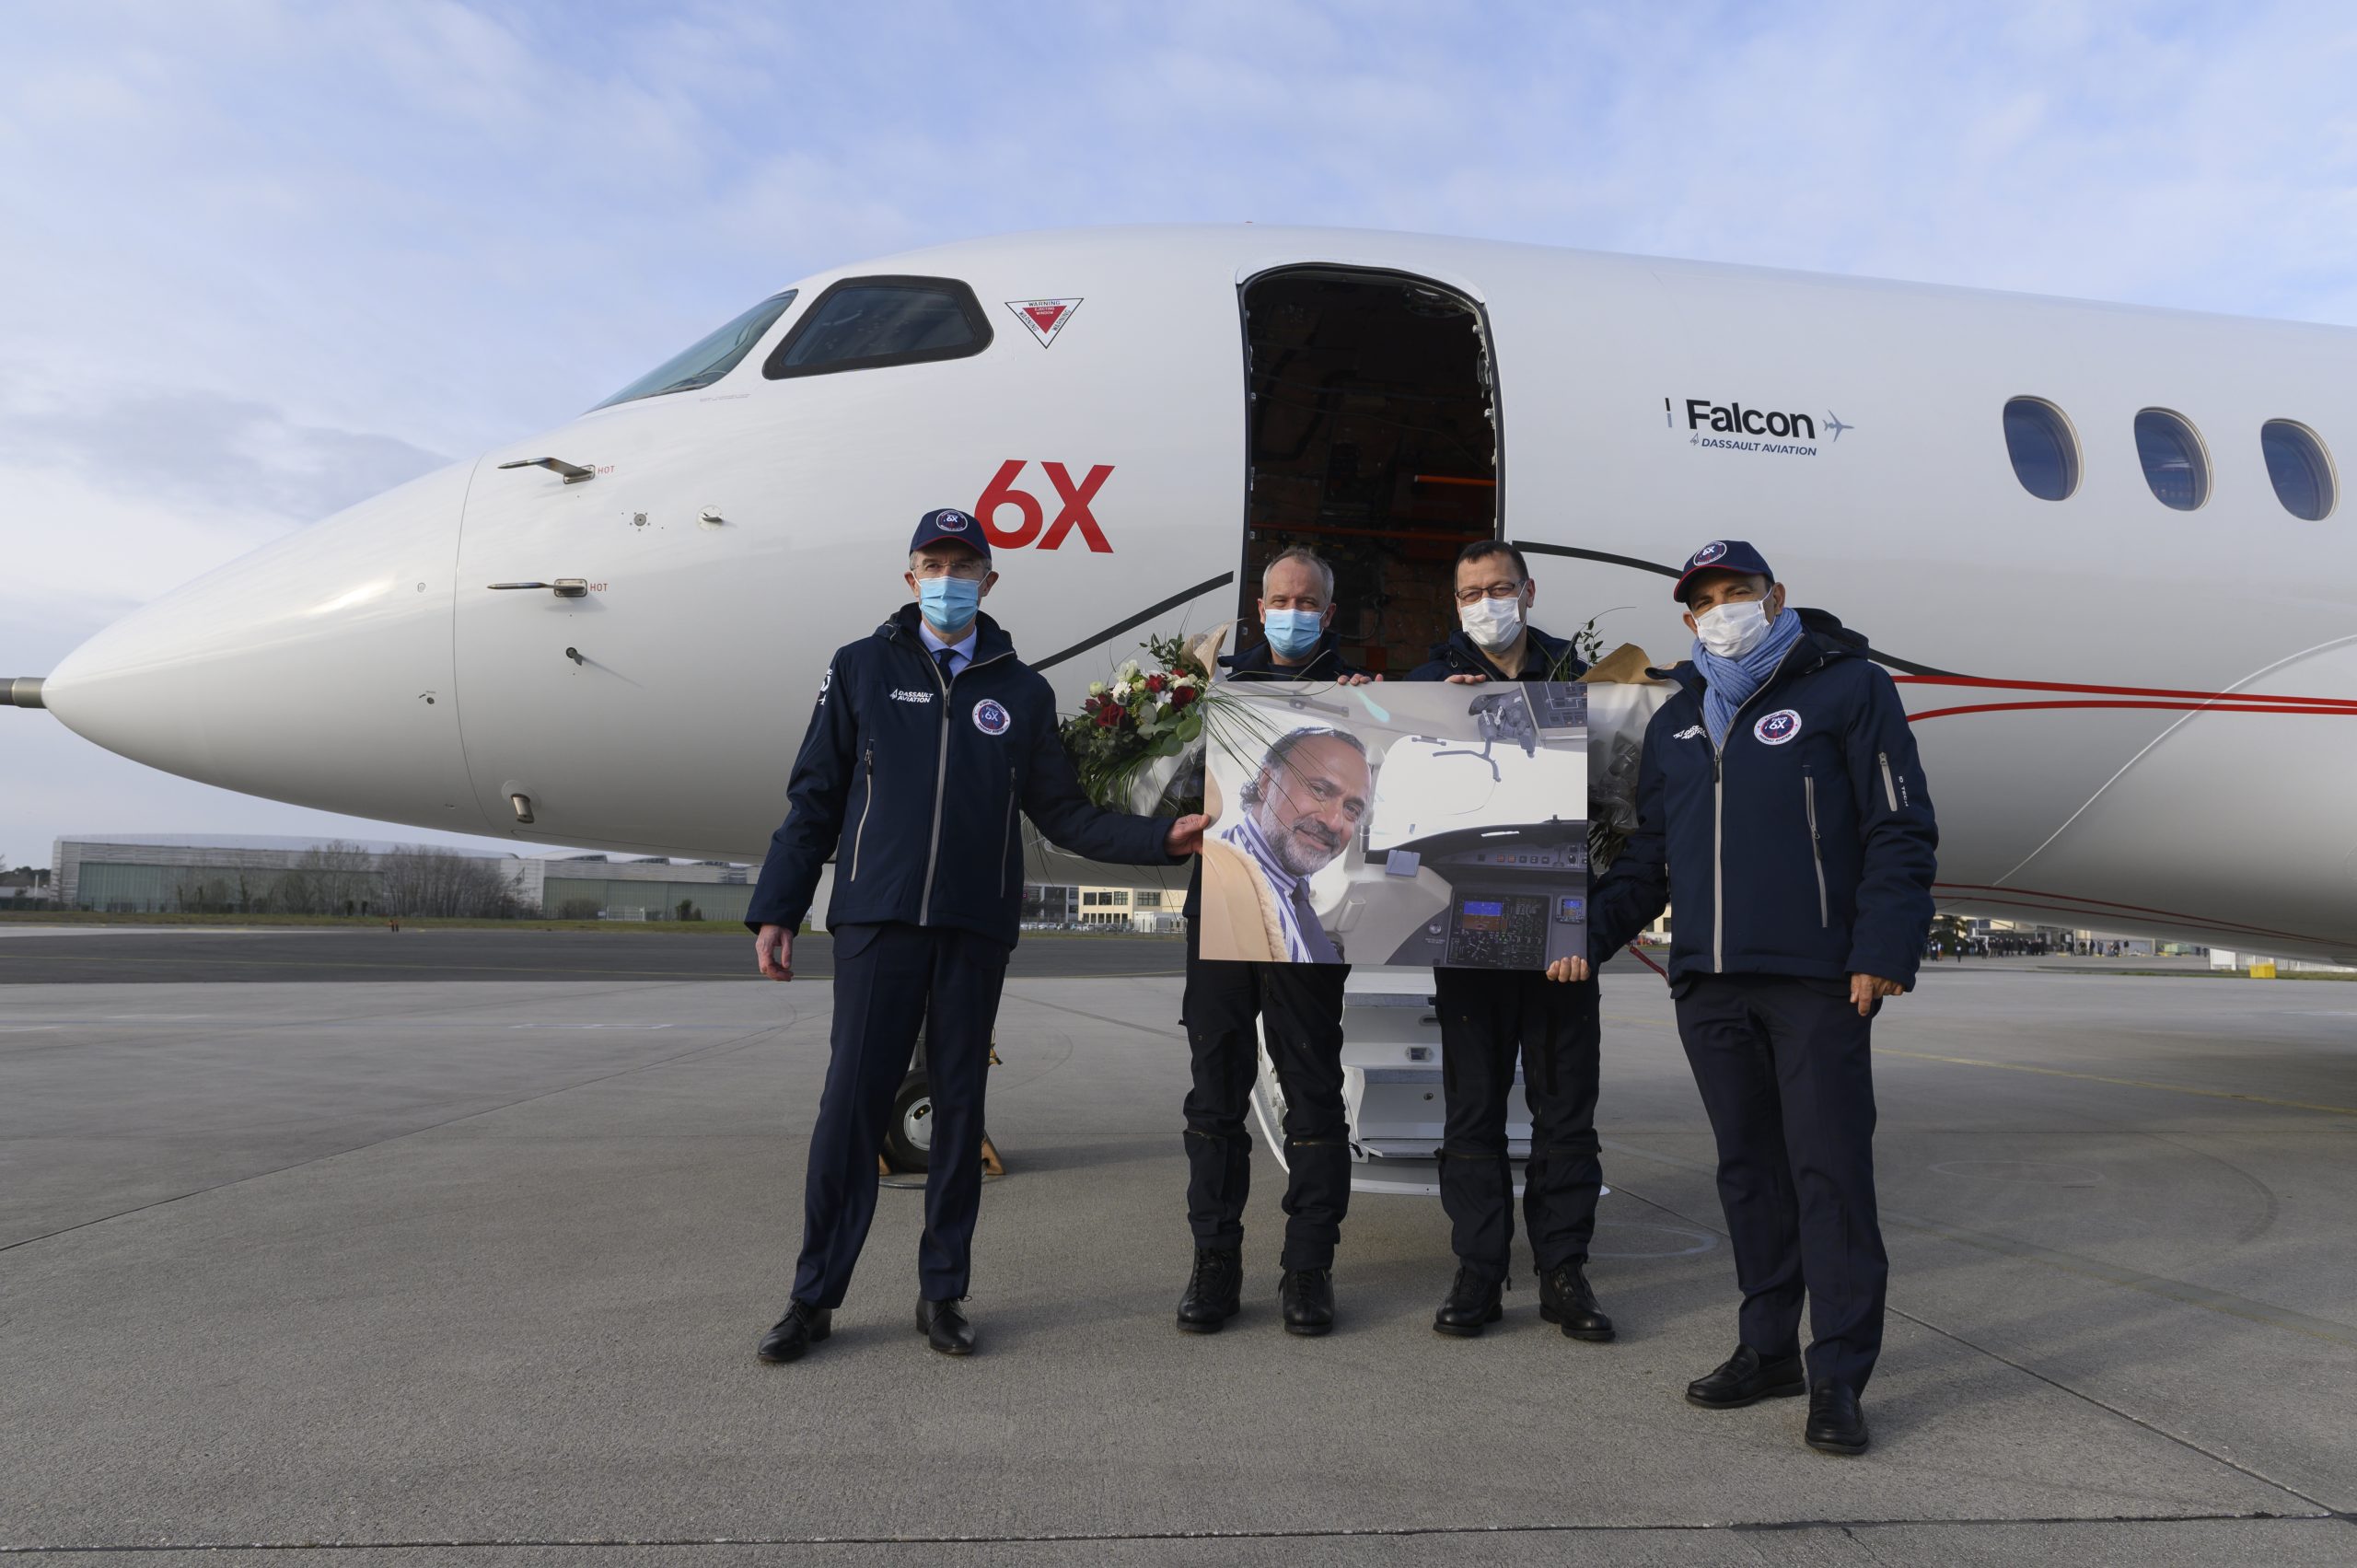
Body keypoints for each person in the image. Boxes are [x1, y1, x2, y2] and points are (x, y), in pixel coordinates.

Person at [745, 508, 1205, 1365]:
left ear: (989, 581)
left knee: (960, 1109)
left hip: (973, 926)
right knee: (849, 1108)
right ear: (909, 575)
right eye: (933, 563)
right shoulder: (861, 666)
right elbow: (815, 795)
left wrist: (1160, 838)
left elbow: (1063, 813)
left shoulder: (1021, 691)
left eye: (964, 565)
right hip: (876, 920)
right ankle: (812, 1297)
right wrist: (778, 905)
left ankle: (943, 1293)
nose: (948, 579)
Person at [1586, 540, 1937, 1456]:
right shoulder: (1677, 720)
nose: (1722, 610)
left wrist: (1882, 947)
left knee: (1830, 1174)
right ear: (1687, 618)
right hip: (1709, 982)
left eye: (1736, 591)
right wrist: (1574, 938)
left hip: (1818, 979)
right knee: (1749, 1174)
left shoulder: (1850, 687)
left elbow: (1899, 827)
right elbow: (1647, 859)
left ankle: (1840, 1374)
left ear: (1774, 595)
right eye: (1705, 600)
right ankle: (1768, 1346)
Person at [1403, 540, 1616, 1342]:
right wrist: (1435, 715)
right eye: (1470, 593)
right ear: (1455, 603)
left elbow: (1618, 800)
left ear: (1528, 591)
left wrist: (1591, 921)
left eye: (1499, 587)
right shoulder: (1429, 683)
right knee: (1473, 1110)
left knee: (1566, 1111)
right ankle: (1479, 1269)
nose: (1485, 603)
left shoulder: (1580, 679)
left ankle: (1563, 1270)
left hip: (1560, 937)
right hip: (1470, 934)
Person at [1178, 545, 1376, 1338]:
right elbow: (1168, 791)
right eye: (1280, 600)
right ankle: (1214, 1260)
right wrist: (1184, 709)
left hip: (1309, 944)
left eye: (1308, 602)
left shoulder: (1363, 695)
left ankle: (1308, 1268)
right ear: (1260, 611)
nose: (1293, 613)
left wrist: (1382, 705)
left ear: (1329, 614)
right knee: (1215, 1098)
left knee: (1315, 1097)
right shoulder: (1217, 692)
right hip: (1219, 920)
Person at [1198, 726, 1369, 963]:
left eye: (1351, 809)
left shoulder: (1292, 883)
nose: (1334, 822)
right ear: (1267, 783)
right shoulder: (1219, 883)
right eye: (1319, 790)